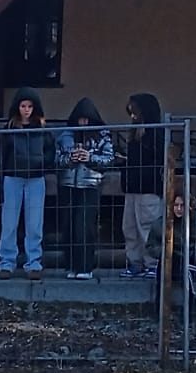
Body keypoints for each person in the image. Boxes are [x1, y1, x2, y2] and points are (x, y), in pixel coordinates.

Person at [0, 89, 52, 281]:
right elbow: (1, 157)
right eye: (23, 106)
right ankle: (6, 262)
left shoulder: (42, 129)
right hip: (12, 178)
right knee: (9, 223)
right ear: (17, 107)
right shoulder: (9, 129)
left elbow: (50, 151)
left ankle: (34, 263)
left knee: (35, 224)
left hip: (36, 179)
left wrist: (44, 165)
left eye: (30, 106)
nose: (26, 110)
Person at [56, 99, 115, 280]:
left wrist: (89, 158)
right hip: (67, 185)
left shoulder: (102, 136)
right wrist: (69, 160)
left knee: (85, 227)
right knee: (68, 227)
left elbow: (109, 160)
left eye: (87, 119)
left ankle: (85, 266)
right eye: (80, 119)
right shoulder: (64, 136)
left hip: (90, 185)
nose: (83, 122)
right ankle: (71, 265)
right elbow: (55, 159)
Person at [117, 93, 171, 280]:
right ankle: (135, 263)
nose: (132, 116)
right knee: (129, 228)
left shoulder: (156, 134)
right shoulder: (134, 134)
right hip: (132, 188)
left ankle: (152, 264)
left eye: (135, 112)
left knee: (147, 228)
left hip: (148, 189)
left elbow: (160, 161)